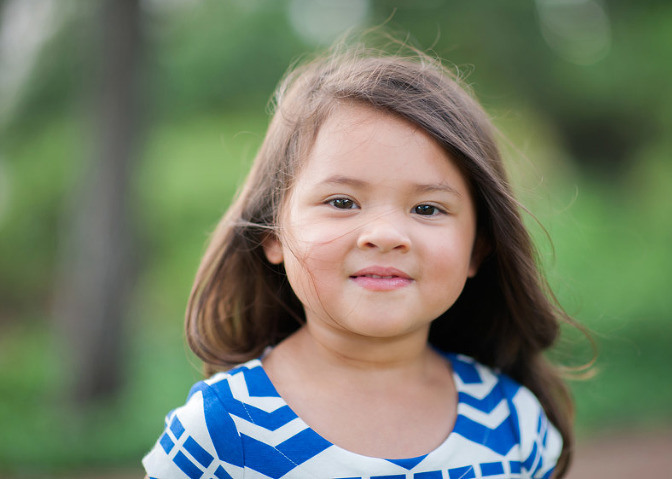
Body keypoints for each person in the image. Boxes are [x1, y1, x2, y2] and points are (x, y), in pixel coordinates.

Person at [143, 39, 577, 479]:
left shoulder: (514, 423)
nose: (386, 235)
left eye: (427, 208)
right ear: (273, 232)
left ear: (477, 247)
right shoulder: (221, 431)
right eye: (342, 201)